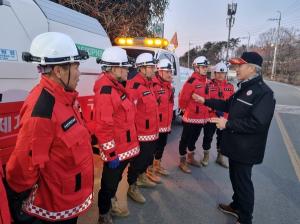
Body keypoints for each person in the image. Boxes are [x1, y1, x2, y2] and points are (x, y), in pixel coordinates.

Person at [5, 32, 93, 223]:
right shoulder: (43, 108)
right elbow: (24, 165)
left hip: (68, 200)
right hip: (54, 207)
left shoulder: (66, 99)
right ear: (58, 71)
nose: (79, 73)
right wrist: (18, 199)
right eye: (75, 66)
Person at [193, 52, 276, 224]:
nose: (235, 69)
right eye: (236, 65)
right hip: (237, 147)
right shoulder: (244, 88)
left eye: (240, 66)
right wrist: (205, 101)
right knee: (235, 178)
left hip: (247, 149)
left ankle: (245, 219)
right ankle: (237, 205)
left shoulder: (264, 93)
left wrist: (227, 124)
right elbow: (227, 104)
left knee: (243, 183)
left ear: (252, 68)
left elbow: (257, 123)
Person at [94, 47, 140, 224]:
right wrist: (111, 154)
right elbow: (104, 128)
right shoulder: (106, 92)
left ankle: (111, 203)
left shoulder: (118, 87)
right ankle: (104, 214)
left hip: (124, 148)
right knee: (108, 184)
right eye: (125, 68)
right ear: (114, 69)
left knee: (115, 181)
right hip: (116, 151)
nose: (128, 71)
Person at [126, 53, 159, 203]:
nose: (154, 69)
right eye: (151, 67)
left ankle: (142, 177)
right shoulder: (134, 85)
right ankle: (132, 186)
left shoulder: (150, 84)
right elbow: (129, 113)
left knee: (147, 158)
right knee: (138, 161)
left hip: (152, 132)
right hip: (140, 133)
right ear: (142, 69)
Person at [178, 56, 211, 173]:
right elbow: (183, 99)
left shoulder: (207, 82)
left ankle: (190, 157)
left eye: (206, 67)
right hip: (191, 116)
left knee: (194, 138)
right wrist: (185, 109)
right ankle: (182, 161)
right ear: (196, 68)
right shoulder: (191, 81)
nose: (205, 69)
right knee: (185, 139)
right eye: (203, 67)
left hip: (201, 117)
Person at [201, 61, 234, 168]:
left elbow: (231, 103)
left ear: (225, 74)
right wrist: (212, 110)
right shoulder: (208, 85)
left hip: (224, 118)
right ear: (214, 74)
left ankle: (220, 157)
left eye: (222, 73)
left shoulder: (230, 87)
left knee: (222, 138)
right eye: (218, 73)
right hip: (211, 117)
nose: (220, 75)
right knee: (208, 137)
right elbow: (205, 100)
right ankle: (206, 156)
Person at [149, 58, 174, 177]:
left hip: (165, 123)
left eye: (171, 72)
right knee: (152, 148)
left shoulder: (169, 86)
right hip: (155, 125)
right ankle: (148, 170)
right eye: (167, 72)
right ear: (159, 72)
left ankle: (157, 165)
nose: (170, 74)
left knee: (162, 145)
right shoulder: (153, 85)